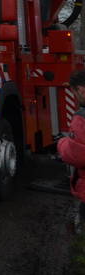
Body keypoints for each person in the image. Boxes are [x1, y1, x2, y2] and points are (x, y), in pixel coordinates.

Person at [57, 70, 85, 230]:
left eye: (74, 92)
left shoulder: (81, 118)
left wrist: (62, 143)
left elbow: (77, 155)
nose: (74, 97)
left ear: (80, 90)